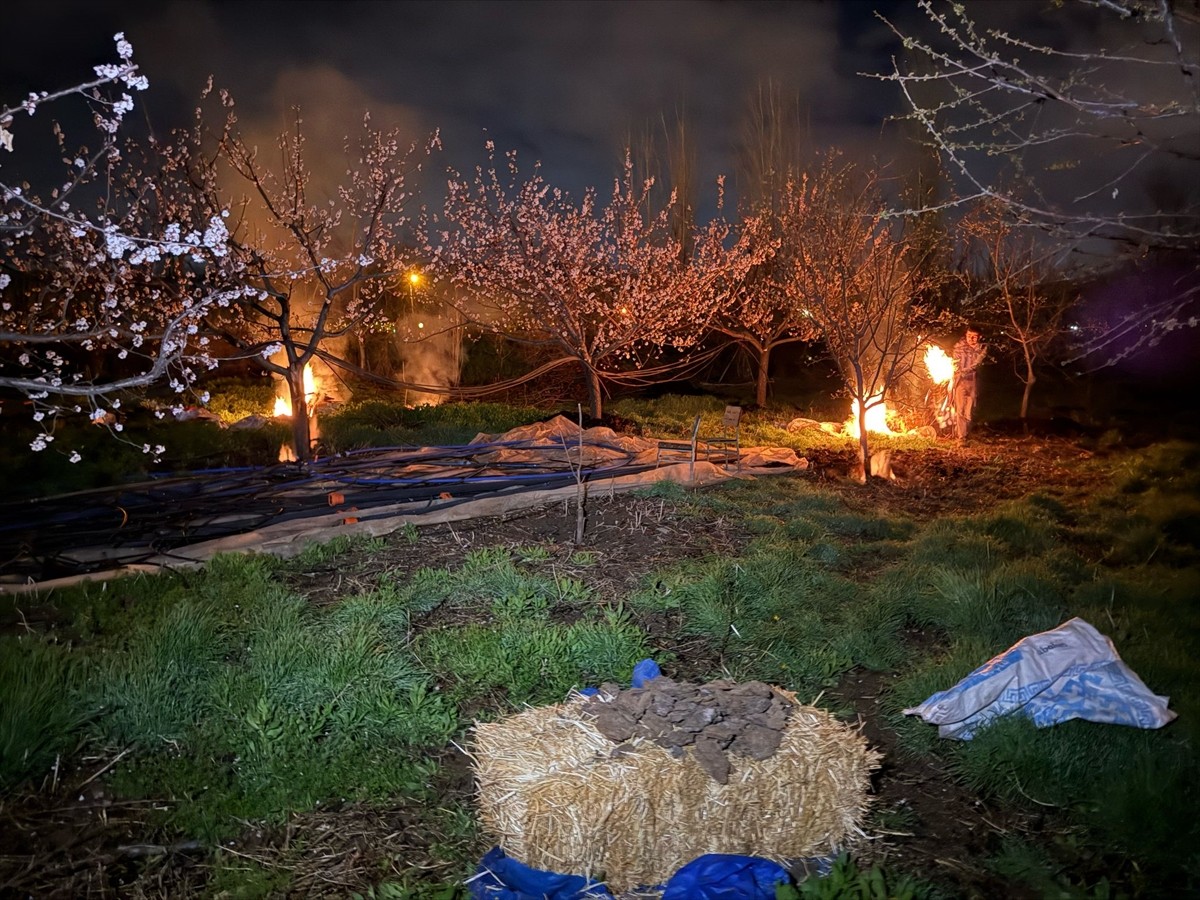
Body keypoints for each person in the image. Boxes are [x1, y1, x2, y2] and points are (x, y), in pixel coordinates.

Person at [951, 326, 986, 443]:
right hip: (960, 382)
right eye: (968, 336)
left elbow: (977, 364)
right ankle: (961, 437)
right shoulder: (959, 347)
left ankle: (966, 433)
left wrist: (963, 371)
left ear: (979, 337)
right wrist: (956, 370)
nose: (971, 339)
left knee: (969, 411)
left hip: (973, 382)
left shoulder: (982, 348)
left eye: (974, 336)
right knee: (960, 409)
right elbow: (955, 362)